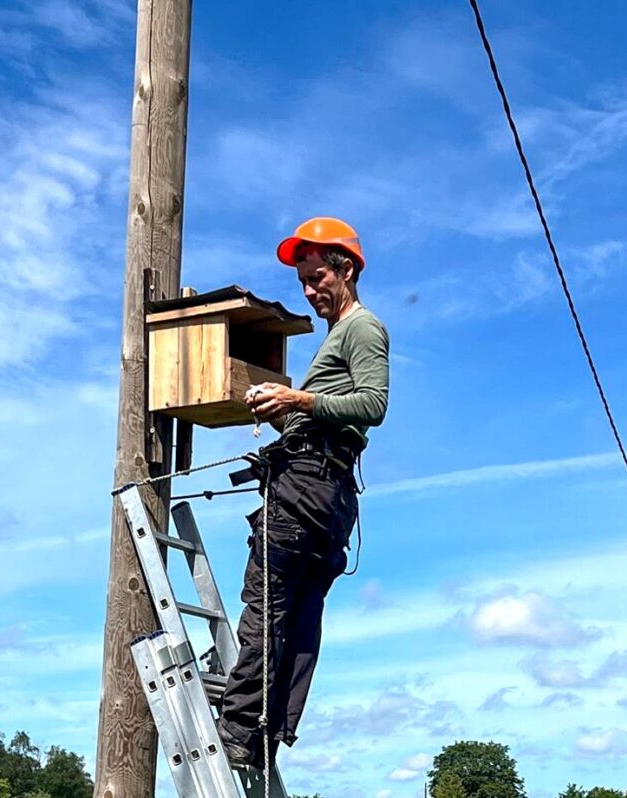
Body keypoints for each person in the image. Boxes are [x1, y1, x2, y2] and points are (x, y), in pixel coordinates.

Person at [216, 217, 390, 768]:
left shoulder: (362, 329)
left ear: (347, 269)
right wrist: (281, 413)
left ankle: (239, 732)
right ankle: (268, 736)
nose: (312, 291)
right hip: (326, 491)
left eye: (318, 277)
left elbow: (373, 405)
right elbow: (333, 419)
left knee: (265, 607)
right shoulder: (337, 338)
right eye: (304, 283)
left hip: (308, 490)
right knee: (296, 618)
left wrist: (299, 401)